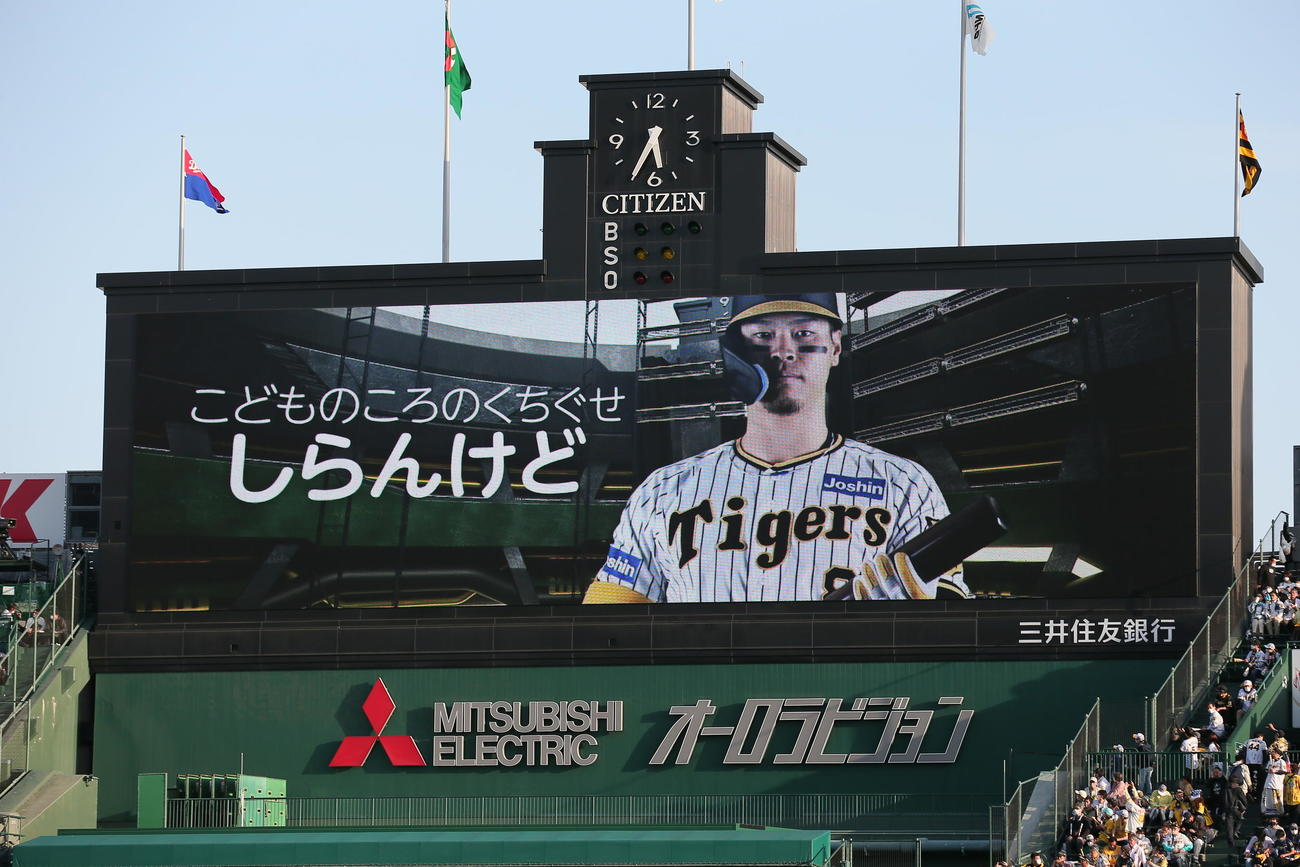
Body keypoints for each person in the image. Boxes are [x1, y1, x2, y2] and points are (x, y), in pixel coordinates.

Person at [584, 293, 968, 603]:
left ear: (835, 347)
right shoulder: (663, 489)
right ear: (733, 353)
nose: (783, 352)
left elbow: (953, 623)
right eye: (762, 336)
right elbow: (606, 624)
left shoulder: (904, 484)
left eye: (804, 335)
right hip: (704, 695)